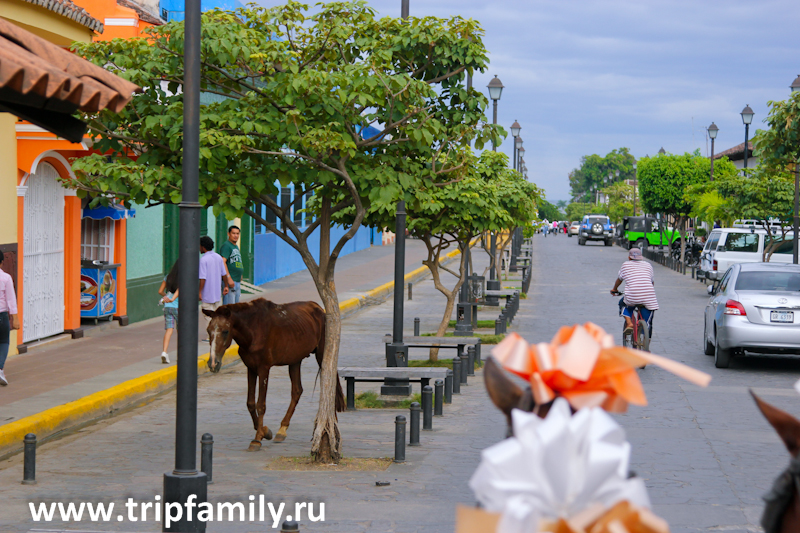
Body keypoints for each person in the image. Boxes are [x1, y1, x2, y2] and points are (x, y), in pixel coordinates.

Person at [610, 248, 658, 337]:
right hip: (649, 297)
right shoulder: (648, 265)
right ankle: (646, 344)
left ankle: (629, 323)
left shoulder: (625, 265)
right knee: (649, 323)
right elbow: (652, 282)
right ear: (641, 257)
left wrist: (614, 289)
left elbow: (619, 279)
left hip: (632, 297)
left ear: (629, 258)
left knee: (623, 303)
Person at [199, 236, 229, 335]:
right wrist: (226, 286)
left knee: (207, 315)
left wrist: (199, 291)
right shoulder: (218, 257)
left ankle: (211, 335)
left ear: (203, 247)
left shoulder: (203, 260)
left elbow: (203, 278)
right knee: (217, 315)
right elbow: (224, 273)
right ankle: (218, 333)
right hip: (217, 293)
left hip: (207, 293)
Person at [0, 251, 19, 386]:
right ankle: (0, 369)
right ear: (2, 262)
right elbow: (11, 300)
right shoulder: (5, 278)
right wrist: (15, 318)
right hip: (1, 316)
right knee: (4, 342)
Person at [157, 260, 179, 364]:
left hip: (167, 307)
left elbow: (160, 291)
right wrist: (173, 298)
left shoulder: (168, 276)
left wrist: (166, 297)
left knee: (169, 330)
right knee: (180, 331)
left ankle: (164, 352)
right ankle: (180, 353)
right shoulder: (183, 278)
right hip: (178, 307)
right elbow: (179, 290)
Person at [220, 225, 244, 305]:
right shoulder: (227, 246)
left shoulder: (235, 246)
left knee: (236, 309)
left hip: (237, 281)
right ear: (228, 234)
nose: (236, 236)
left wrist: (240, 274)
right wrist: (228, 278)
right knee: (230, 309)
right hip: (231, 282)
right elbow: (223, 262)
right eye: (233, 233)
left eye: (237, 234)